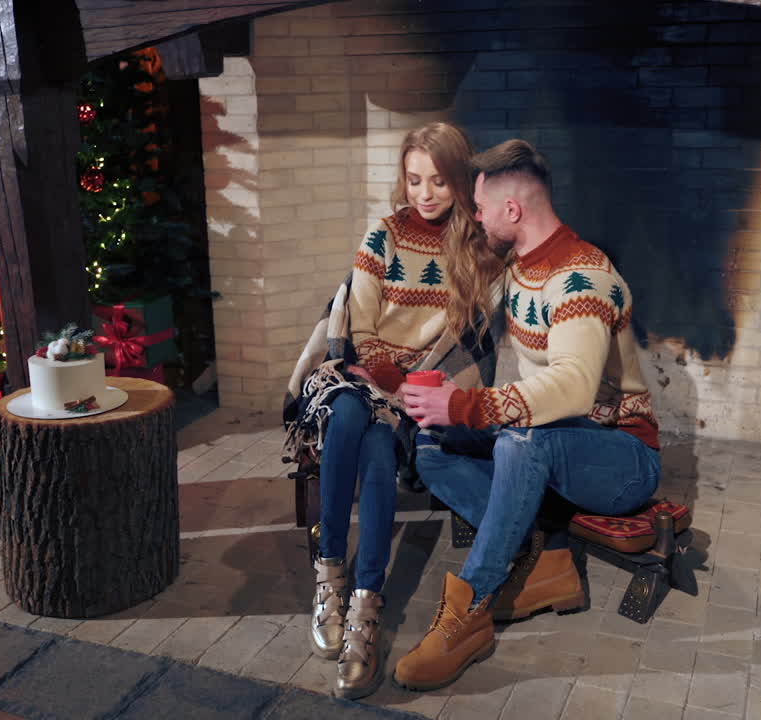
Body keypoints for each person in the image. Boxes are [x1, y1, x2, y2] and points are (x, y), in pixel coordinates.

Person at [393, 139, 661, 691]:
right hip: (560, 444)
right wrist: (443, 399)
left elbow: (574, 388)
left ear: (512, 210)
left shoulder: (580, 277)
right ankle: (544, 556)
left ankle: (471, 610)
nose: (477, 216)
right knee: (433, 440)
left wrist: (470, 405)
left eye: (483, 207)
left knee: (521, 440)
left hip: (622, 459)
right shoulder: (521, 265)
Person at [282, 122, 504, 700]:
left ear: (459, 180)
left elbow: (470, 335)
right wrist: (381, 374)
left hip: (412, 391)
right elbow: (358, 321)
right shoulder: (381, 235)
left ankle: (354, 599)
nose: (425, 192)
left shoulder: (474, 252)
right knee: (355, 417)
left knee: (377, 442)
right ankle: (345, 590)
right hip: (354, 373)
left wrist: (406, 386)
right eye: (413, 180)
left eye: (437, 180)